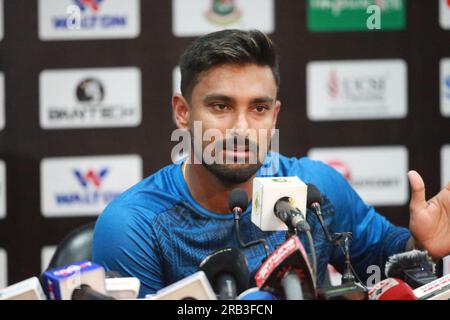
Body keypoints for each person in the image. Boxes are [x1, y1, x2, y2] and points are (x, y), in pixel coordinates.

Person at [92, 29, 450, 298]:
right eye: (221, 106)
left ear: (274, 115)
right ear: (183, 113)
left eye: (259, 108)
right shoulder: (135, 225)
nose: (242, 129)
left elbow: (386, 260)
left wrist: (419, 244)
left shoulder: (315, 189)